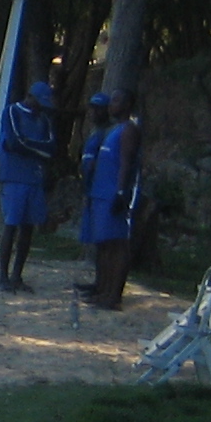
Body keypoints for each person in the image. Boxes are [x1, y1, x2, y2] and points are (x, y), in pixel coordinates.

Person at [76, 90, 140, 309]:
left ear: (127, 104)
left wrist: (121, 192)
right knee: (103, 244)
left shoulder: (129, 129)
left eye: (116, 100)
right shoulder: (112, 130)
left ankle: (114, 296)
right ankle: (103, 289)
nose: (111, 105)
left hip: (113, 192)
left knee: (117, 245)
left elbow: (126, 163)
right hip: (100, 192)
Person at [0, 78, 57, 292]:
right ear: (30, 97)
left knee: (28, 228)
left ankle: (17, 275)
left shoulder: (44, 120)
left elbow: (51, 148)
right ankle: (3, 276)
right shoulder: (12, 112)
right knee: (11, 225)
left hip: (34, 177)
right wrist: (38, 150)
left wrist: (29, 147)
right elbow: (14, 142)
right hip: (14, 176)